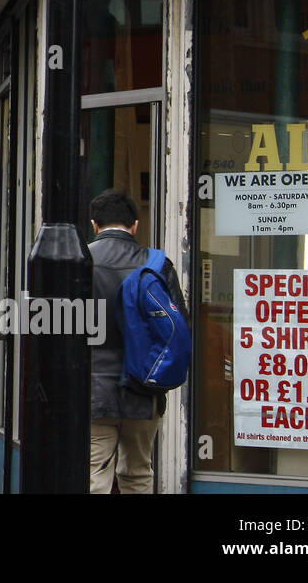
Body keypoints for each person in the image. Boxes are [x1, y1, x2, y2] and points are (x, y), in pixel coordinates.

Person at [88, 188, 187, 494]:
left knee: (94, 475)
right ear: (134, 225)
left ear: (94, 225)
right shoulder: (157, 265)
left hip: (92, 390)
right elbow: (179, 326)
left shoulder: (78, 261)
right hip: (145, 389)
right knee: (138, 472)